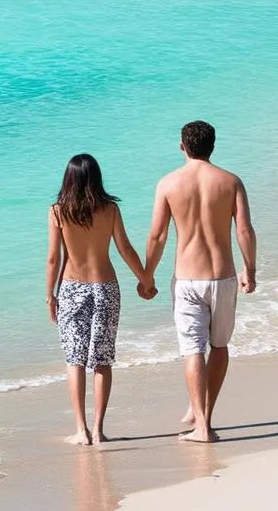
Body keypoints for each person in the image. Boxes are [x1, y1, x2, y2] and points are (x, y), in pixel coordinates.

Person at [143, 121, 257, 444]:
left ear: (182, 146)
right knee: (219, 346)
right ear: (213, 146)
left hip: (187, 279)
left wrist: (147, 275)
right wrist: (251, 269)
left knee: (192, 349)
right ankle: (205, 413)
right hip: (223, 277)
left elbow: (158, 235)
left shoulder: (168, 184)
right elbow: (245, 231)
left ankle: (201, 425)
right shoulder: (231, 182)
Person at [46, 154, 155, 446]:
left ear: (68, 179)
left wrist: (49, 296)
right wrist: (146, 280)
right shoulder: (110, 209)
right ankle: (98, 429)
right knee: (102, 359)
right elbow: (125, 249)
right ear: (96, 177)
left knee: (75, 360)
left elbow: (54, 258)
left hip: (71, 289)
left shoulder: (58, 212)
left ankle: (80, 430)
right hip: (105, 287)